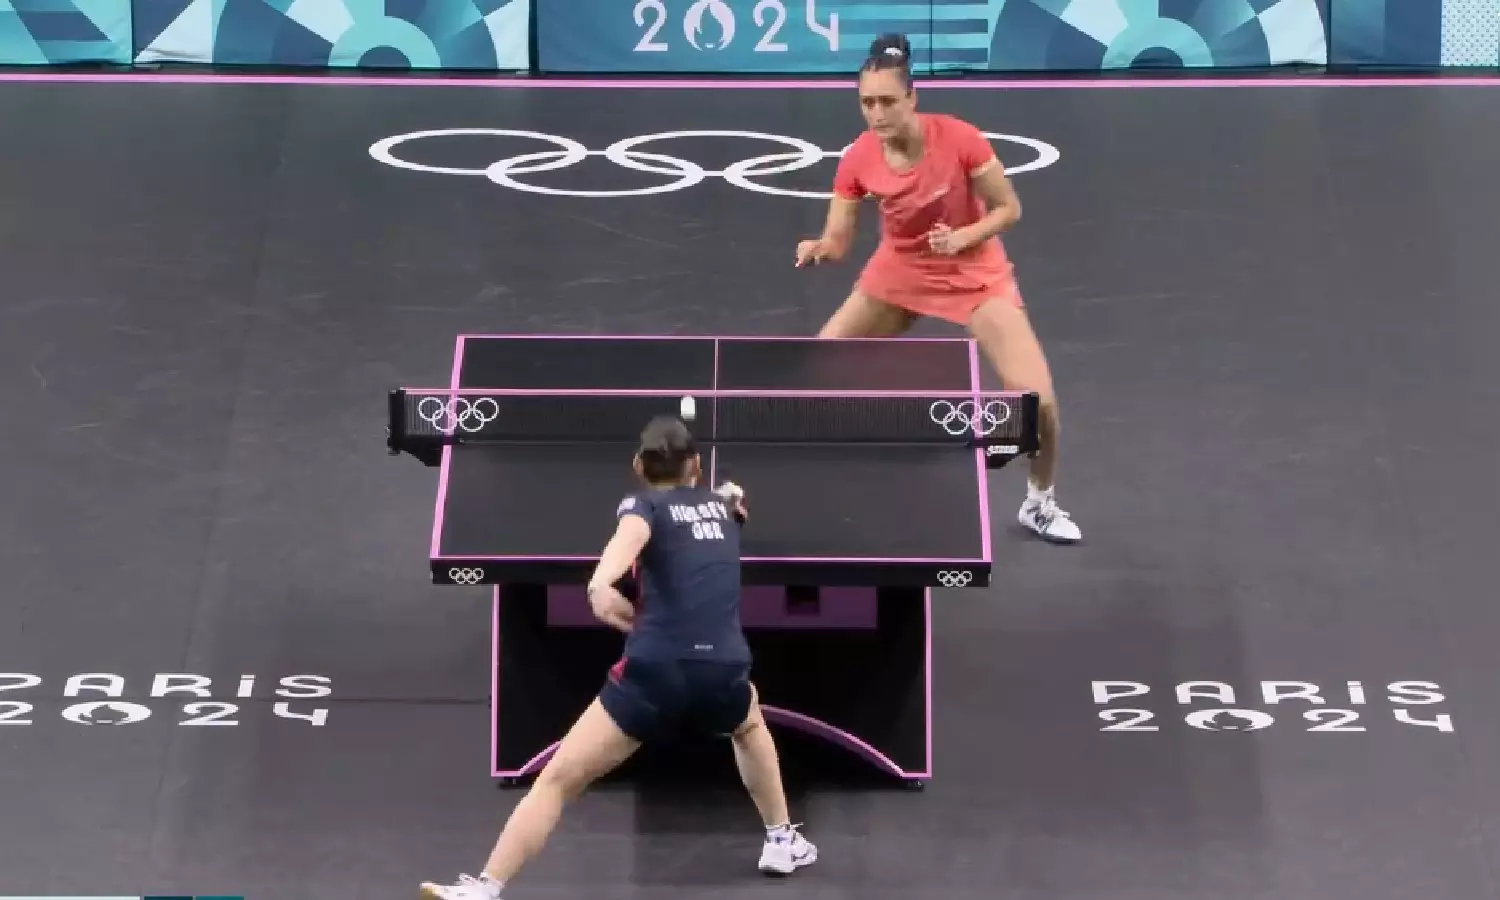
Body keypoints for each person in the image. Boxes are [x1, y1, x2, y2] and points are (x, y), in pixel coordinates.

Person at [420, 415, 817, 900]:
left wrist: (600, 583)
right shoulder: (727, 509)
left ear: (638, 466)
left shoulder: (642, 506)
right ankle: (781, 839)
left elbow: (630, 535)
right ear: (696, 465)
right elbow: (722, 506)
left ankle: (486, 888)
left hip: (655, 672)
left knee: (558, 781)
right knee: (749, 723)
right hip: (723, 670)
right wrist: (725, 498)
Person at [795, 33, 1081, 544]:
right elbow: (839, 241)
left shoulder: (960, 138)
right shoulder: (858, 157)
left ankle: (1039, 502)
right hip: (900, 270)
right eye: (867, 103)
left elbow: (1009, 209)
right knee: (825, 363)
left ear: (912, 98)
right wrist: (820, 247)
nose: (877, 114)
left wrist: (961, 239)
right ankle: (839, 484)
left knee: (1039, 401)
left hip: (973, 272)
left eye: (887, 101)